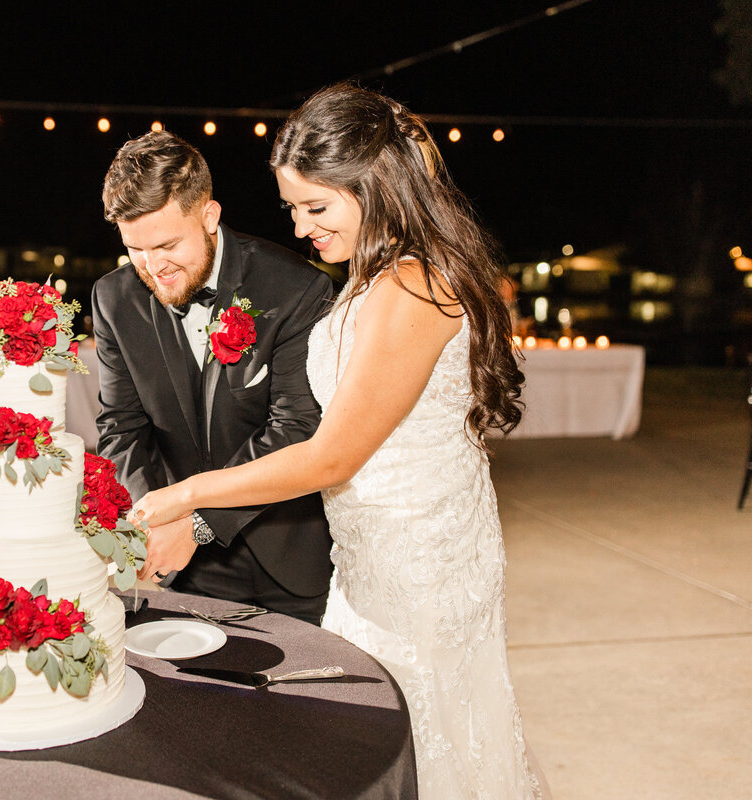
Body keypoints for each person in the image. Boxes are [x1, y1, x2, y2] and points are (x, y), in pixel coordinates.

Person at [133, 85, 544, 798]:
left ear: (376, 186)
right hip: (371, 555)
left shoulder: (413, 285)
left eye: (316, 207)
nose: (299, 227)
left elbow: (333, 455)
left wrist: (185, 494)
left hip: (419, 565)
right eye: (292, 208)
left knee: (420, 742)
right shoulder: (381, 273)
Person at [92, 130, 335, 624]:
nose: (153, 267)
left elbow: (296, 428)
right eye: (135, 249)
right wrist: (151, 523)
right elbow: (121, 427)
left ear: (209, 216)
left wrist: (199, 520)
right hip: (186, 564)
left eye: (166, 244)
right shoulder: (113, 300)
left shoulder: (295, 287)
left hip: (289, 550)